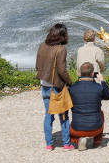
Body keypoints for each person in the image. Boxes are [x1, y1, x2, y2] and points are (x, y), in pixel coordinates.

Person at [36, 23, 74, 151]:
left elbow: (37, 65)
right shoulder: (61, 49)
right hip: (56, 87)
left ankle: (49, 144)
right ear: (62, 35)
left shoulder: (42, 45)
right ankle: (67, 144)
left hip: (44, 85)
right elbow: (62, 71)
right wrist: (70, 82)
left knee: (48, 115)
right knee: (63, 116)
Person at [69, 62, 109, 150]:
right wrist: (102, 81)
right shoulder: (98, 88)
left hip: (76, 129)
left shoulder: (72, 88)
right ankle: (97, 142)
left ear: (79, 73)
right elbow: (108, 96)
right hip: (95, 129)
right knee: (101, 113)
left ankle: (78, 139)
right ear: (93, 74)